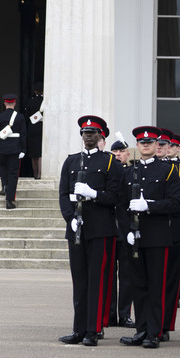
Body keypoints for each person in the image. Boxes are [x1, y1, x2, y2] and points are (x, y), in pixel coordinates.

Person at [58, 115, 123, 346]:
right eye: (85, 132)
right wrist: (70, 219)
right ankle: (79, 329)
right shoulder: (71, 162)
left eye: (92, 132)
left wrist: (94, 194)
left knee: (97, 281)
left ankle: (93, 330)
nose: (88, 135)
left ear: (100, 136)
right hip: (77, 229)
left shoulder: (110, 163)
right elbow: (63, 194)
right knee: (80, 281)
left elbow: (115, 197)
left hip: (100, 229)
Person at [119, 126, 180, 349]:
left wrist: (150, 206)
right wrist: (126, 229)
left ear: (158, 145)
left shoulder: (167, 171)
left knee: (157, 286)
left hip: (158, 236)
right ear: (137, 146)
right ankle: (142, 329)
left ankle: (155, 332)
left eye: (150, 142)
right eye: (141, 142)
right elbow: (121, 204)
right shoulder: (129, 172)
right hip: (134, 236)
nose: (145, 145)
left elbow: (176, 203)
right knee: (139, 285)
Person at [160, 130, 180, 340]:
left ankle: (164, 325)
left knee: (170, 277)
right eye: (163, 145)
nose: (166, 148)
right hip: (150, 228)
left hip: (174, 224)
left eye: (170, 145)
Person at [110, 138, 135, 328]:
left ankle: (125, 314)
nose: (118, 154)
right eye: (115, 151)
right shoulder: (108, 171)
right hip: (110, 229)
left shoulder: (133, 173)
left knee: (127, 276)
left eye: (121, 151)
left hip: (126, 230)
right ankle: (110, 314)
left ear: (128, 154)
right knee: (109, 275)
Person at [0, 94, 27, 209]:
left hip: (2, 147)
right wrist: (23, 149)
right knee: (13, 174)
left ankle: (4, 185)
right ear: (15, 103)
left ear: (5, 103)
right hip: (15, 148)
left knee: (3, 167)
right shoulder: (20, 117)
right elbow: (23, 135)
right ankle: (9, 200)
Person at [23, 83, 44, 179]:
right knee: (40, 153)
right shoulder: (45, 101)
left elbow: (26, 117)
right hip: (43, 127)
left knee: (33, 153)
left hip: (32, 128)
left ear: (35, 91)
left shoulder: (30, 101)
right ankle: (40, 174)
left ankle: (35, 174)